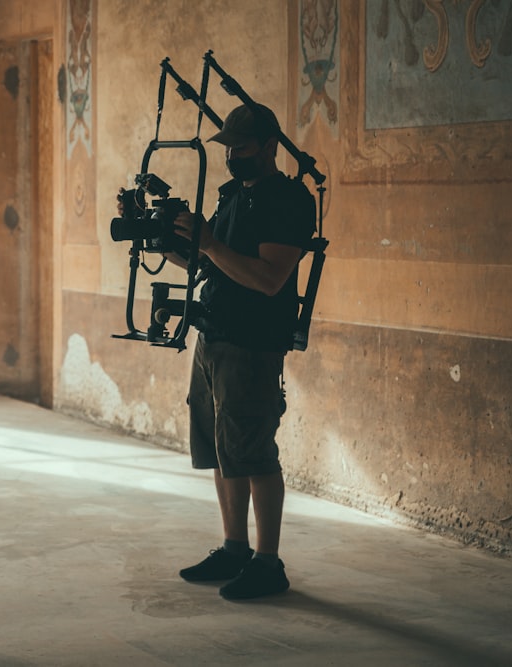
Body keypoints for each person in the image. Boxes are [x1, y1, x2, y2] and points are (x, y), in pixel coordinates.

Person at [121, 103, 315, 600]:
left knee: (253, 453)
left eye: (242, 148)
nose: (232, 157)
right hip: (212, 333)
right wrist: (157, 234)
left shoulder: (289, 200)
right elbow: (202, 261)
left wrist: (208, 244)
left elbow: (270, 279)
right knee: (221, 452)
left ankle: (269, 563)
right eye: (227, 148)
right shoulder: (232, 196)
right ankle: (234, 548)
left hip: (252, 342)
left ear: (270, 146)